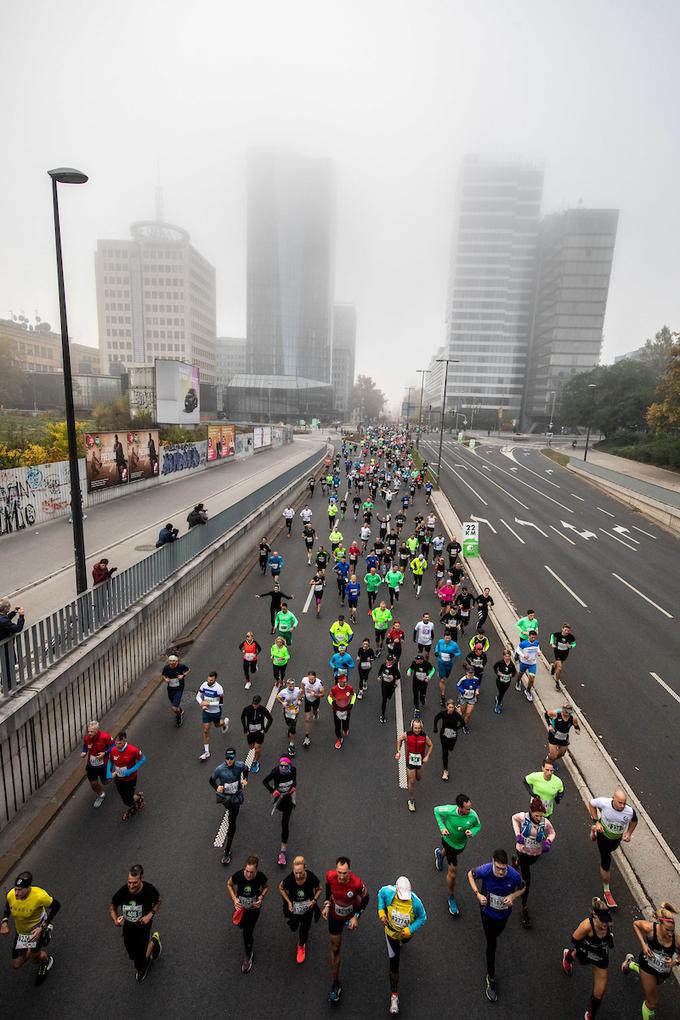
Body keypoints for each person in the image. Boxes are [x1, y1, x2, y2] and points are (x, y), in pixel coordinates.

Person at [467, 849, 525, 1003]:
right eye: (498, 868)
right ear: (493, 861)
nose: (500, 872)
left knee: (497, 934)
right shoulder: (486, 870)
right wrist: (477, 894)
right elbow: (470, 875)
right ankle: (491, 979)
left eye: (503, 868)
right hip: (487, 912)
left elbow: (523, 887)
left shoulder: (513, 875)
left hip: (504, 915)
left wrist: (512, 896)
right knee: (491, 944)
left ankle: (493, 936)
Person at [621, 902, 680, 1020]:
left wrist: (674, 962)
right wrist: (644, 944)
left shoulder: (676, 940)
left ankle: (630, 964)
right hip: (647, 966)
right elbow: (635, 924)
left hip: (662, 972)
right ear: (660, 924)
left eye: (672, 930)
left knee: (654, 983)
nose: (670, 934)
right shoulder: (650, 929)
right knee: (652, 1002)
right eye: (667, 930)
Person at [377, 876, 427, 1015]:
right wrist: (381, 911)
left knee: (405, 941)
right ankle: (394, 996)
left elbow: (423, 918)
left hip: (405, 934)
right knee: (394, 964)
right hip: (391, 934)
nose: (405, 899)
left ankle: (403, 941)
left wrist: (410, 929)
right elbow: (380, 894)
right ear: (396, 890)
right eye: (402, 897)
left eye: (406, 897)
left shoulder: (416, 902)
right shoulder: (388, 891)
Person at [322, 856, 369, 1003]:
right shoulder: (330, 876)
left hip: (349, 914)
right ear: (336, 870)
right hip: (335, 916)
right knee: (335, 948)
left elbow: (366, 898)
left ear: (349, 871)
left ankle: (349, 922)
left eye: (344, 873)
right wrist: (327, 904)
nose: (341, 876)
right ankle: (335, 982)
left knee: (349, 923)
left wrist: (356, 916)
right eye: (339, 872)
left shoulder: (357, 883)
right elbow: (328, 888)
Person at [1, 871, 60, 981]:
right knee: (16, 965)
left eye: (20, 890)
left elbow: (56, 906)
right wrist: (4, 922)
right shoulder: (11, 895)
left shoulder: (40, 896)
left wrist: (42, 927)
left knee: (33, 958)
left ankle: (46, 961)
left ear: (28, 888)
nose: (16, 893)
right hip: (21, 933)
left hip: (36, 932)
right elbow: (8, 905)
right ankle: (36, 945)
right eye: (15, 889)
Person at [562, 898, 614, 1020]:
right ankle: (569, 956)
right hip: (586, 951)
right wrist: (582, 950)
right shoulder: (587, 926)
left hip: (601, 956)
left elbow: (609, 939)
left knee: (600, 991)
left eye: (607, 921)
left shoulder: (607, 924)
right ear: (594, 916)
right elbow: (574, 939)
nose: (605, 924)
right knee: (579, 960)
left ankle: (590, 1015)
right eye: (602, 921)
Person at [109, 865, 161, 982]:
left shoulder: (149, 889)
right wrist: (116, 920)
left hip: (143, 926)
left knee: (140, 957)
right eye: (129, 882)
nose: (131, 886)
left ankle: (142, 967)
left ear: (141, 878)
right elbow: (112, 907)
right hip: (128, 928)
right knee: (132, 952)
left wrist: (150, 914)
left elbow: (158, 901)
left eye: (134, 883)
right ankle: (154, 942)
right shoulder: (123, 891)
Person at [511, 797, 556, 929]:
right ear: (531, 811)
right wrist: (518, 834)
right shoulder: (522, 817)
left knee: (529, 864)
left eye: (541, 815)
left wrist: (548, 841)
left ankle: (516, 862)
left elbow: (552, 833)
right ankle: (524, 908)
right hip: (522, 850)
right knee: (527, 881)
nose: (538, 818)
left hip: (535, 854)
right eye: (536, 815)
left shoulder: (545, 822)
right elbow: (513, 818)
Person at [433, 793, 482, 916]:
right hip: (448, 841)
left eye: (470, 807)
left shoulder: (473, 815)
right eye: (467, 809)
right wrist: (442, 827)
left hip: (460, 846)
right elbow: (436, 811)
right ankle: (451, 897)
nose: (469, 810)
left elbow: (478, 826)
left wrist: (472, 832)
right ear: (459, 807)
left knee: (448, 853)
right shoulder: (450, 810)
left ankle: (440, 855)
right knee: (453, 872)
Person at [589, 790, 637, 909]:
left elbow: (634, 821)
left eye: (624, 803)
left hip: (616, 839)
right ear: (613, 799)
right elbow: (591, 803)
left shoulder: (629, 811)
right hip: (604, 836)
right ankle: (607, 891)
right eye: (619, 802)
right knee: (606, 860)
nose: (622, 805)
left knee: (612, 849)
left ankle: (594, 830)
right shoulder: (604, 802)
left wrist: (629, 833)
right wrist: (596, 821)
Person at [227, 856, 269, 974]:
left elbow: (266, 887)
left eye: (251, 872)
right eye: (247, 871)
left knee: (247, 932)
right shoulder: (239, 875)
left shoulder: (260, 877)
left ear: (256, 871)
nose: (249, 874)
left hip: (254, 909)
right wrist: (234, 899)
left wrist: (261, 897)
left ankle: (248, 954)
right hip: (241, 908)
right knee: (241, 925)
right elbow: (229, 884)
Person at [279, 856, 322, 964]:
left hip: (308, 910)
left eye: (300, 872)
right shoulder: (290, 879)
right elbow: (280, 887)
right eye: (296, 873)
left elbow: (319, 889)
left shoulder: (311, 877)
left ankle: (301, 945)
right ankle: (297, 930)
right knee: (293, 927)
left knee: (304, 929)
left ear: (305, 868)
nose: (298, 875)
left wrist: (314, 900)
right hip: (294, 909)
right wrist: (288, 902)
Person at [210, 747, 249, 865]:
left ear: (235, 757)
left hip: (236, 797)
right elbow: (211, 780)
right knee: (229, 808)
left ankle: (227, 850)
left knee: (232, 822)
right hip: (225, 797)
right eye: (227, 758)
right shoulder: (220, 769)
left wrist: (245, 779)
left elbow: (246, 769)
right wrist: (217, 788)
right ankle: (229, 809)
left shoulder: (240, 765)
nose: (229, 760)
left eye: (231, 758)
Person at [263, 756, 297, 866]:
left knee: (285, 823)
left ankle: (283, 851)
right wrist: (273, 791)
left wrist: (293, 788)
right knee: (279, 809)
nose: (282, 768)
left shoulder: (293, 770)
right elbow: (264, 781)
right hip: (278, 798)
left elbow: (295, 781)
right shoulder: (275, 772)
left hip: (288, 798)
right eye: (281, 765)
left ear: (289, 766)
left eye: (285, 766)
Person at [106, 731, 146, 820]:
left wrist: (131, 770)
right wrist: (108, 772)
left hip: (130, 779)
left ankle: (133, 807)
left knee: (127, 798)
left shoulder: (133, 750)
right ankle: (138, 798)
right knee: (122, 794)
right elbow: (110, 761)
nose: (117, 745)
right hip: (119, 778)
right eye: (116, 743)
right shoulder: (113, 750)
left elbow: (142, 759)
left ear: (124, 741)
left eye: (119, 743)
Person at [395, 716, 432, 812]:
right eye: (415, 728)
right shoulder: (407, 735)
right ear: (412, 727)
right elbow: (399, 739)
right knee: (412, 781)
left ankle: (414, 776)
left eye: (419, 728)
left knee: (418, 778)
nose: (417, 730)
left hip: (420, 761)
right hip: (410, 761)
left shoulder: (424, 736)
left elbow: (431, 745)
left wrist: (427, 756)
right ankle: (411, 800)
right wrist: (398, 751)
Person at [196, 671, 229, 760]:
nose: (209, 681)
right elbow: (198, 696)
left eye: (211, 680)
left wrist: (208, 703)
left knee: (218, 725)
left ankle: (225, 723)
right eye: (208, 679)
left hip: (216, 712)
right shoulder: (204, 685)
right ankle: (207, 752)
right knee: (206, 730)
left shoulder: (219, 688)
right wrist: (201, 703)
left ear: (215, 679)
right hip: (206, 712)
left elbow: (221, 703)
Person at [80, 719, 113, 808]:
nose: (89, 733)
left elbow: (113, 746)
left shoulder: (105, 737)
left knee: (105, 782)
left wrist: (105, 753)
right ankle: (101, 795)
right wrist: (84, 752)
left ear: (97, 731)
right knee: (93, 783)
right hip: (91, 765)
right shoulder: (87, 738)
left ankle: (116, 774)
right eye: (88, 731)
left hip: (103, 765)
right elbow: (85, 746)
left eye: (91, 731)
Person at [432, 699, 465, 781]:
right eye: (449, 707)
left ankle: (449, 749)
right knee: (445, 753)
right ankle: (445, 771)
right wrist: (435, 727)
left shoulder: (457, 715)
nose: (451, 709)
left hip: (453, 736)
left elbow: (463, 723)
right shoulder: (443, 713)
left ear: (454, 708)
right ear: (447, 707)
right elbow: (436, 718)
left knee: (451, 748)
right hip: (443, 735)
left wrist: (456, 728)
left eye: (452, 707)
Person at [240, 694, 272, 773]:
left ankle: (255, 761)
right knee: (251, 747)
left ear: (259, 703)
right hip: (250, 732)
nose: (255, 706)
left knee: (257, 749)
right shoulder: (247, 709)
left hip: (259, 732)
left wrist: (265, 730)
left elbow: (270, 719)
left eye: (256, 704)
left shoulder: (263, 710)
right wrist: (245, 728)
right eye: (254, 704)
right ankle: (255, 754)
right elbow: (242, 717)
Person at [327, 673, 356, 749]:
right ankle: (339, 739)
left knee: (346, 725)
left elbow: (354, 695)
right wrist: (332, 702)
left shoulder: (349, 688)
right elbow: (329, 697)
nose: (346, 682)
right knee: (337, 726)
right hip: (337, 710)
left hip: (347, 710)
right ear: (339, 681)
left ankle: (345, 729)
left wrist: (352, 703)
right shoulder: (334, 689)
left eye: (346, 681)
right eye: (344, 681)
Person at [161, 652, 189, 725]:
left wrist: (183, 675)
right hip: (170, 689)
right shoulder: (166, 668)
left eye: (173, 661)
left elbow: (188, 670)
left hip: (179, 688)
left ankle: (178, 716)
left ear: (177, 661)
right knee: (174, 704)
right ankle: (180, 710)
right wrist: (165, 679)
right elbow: (163, 675)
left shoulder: (181, 666)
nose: (171, 663)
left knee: (174, 707)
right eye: (170, 661)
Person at [277, 677, 303, 757]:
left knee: (293, 727)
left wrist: (300, 701)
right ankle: (290, 729)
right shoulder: (283, 692)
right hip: (286, 711)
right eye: (290, 686)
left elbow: (301, 695)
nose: (291, 687)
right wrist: (282, 702)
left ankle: (291, 744)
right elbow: (278, 697)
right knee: (288, 724)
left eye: (293, 685)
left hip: (295, 711)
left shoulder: (298, 690)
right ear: (287, 685)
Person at [301, 670, 325, 747]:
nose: (311, 681)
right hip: (307, 700)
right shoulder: (304, 680)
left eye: (312, 679)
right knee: (307, 718)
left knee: (314, 712)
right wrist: (301, 694)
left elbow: (323, 694)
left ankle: (316, 713)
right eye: (309, 679)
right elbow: (302, 685)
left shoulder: (319, 683)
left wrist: (315, 695)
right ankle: (306, 736)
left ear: (315, 677)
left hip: (315, 700)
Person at [515, 629, 540, 702]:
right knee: (521, 673)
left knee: (532, 678)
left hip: (532, 663)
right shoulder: (523, 643)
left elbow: (538, 648)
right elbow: (518, 650)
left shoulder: (536, 642)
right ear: (529, 636)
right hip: (524, 662)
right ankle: (518, 681)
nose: (533, 639)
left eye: (534, 637)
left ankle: (528, 691)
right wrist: (523, 655)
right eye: (532, 637)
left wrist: (538, 652)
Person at [550, 624, 577, 689]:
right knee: (559, 668)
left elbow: (574, 643)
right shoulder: (558, 634)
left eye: (568, 631)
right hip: (557, 652)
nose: (566, 632)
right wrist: (552, 643)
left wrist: (571, 646)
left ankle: (553, 666)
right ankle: (557, 682)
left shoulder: (571, 637)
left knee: (558, 664)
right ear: (562, 629)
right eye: (565, 630)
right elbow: (552, 635)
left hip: (565, 653)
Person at [456, 663, 480, 732]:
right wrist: (463, 691)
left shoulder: (476, 679)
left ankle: (464, 725)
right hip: (463, 697)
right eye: (469, 673)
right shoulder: (463, 679)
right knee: (462, 712)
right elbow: (458, 686)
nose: (470, 674)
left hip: (471, 698)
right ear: (467, 672)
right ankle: (458, 708)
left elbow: (477, 686)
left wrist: (477, 690)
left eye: (472, 673)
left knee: (468, 714)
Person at [493, 647, 516, 714]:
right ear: (503, 656)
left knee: (502, 693)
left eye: (508, 656)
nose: (507, 658)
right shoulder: (500, 662)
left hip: (507, 682)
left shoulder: (511, 665)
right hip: (499, 681)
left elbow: (514, 672)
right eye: (506, 656)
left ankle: (498, 700)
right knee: (501, 692)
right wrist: (498, 673)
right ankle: (498, 704)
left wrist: (512, 675)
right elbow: (494, 667)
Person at [378, 654, 400, 723]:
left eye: (391, 661)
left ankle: (391, 691)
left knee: (389, 696)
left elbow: (399, 676)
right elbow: (380, 672)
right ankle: (382, 714)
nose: (389, 662)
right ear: (386, 660)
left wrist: (394, 678)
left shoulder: (394, 668)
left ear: (392, 661)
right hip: (384, 684)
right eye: (388, 660)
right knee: (384, 699)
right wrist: (379, 676)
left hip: (391, 684)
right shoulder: (383, 665)